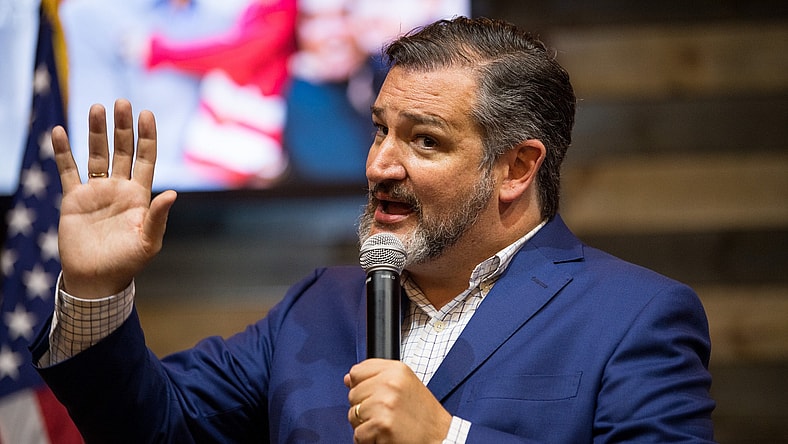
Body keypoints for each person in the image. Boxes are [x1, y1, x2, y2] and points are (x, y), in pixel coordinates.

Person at [32, 17, 716, 443]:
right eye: (380, 131)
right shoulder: (316, 306)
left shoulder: (635, 316)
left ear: (516, 167)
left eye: (424, 141)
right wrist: (96, 292)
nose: (380, 165)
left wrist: (449, 441)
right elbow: (155, 430)